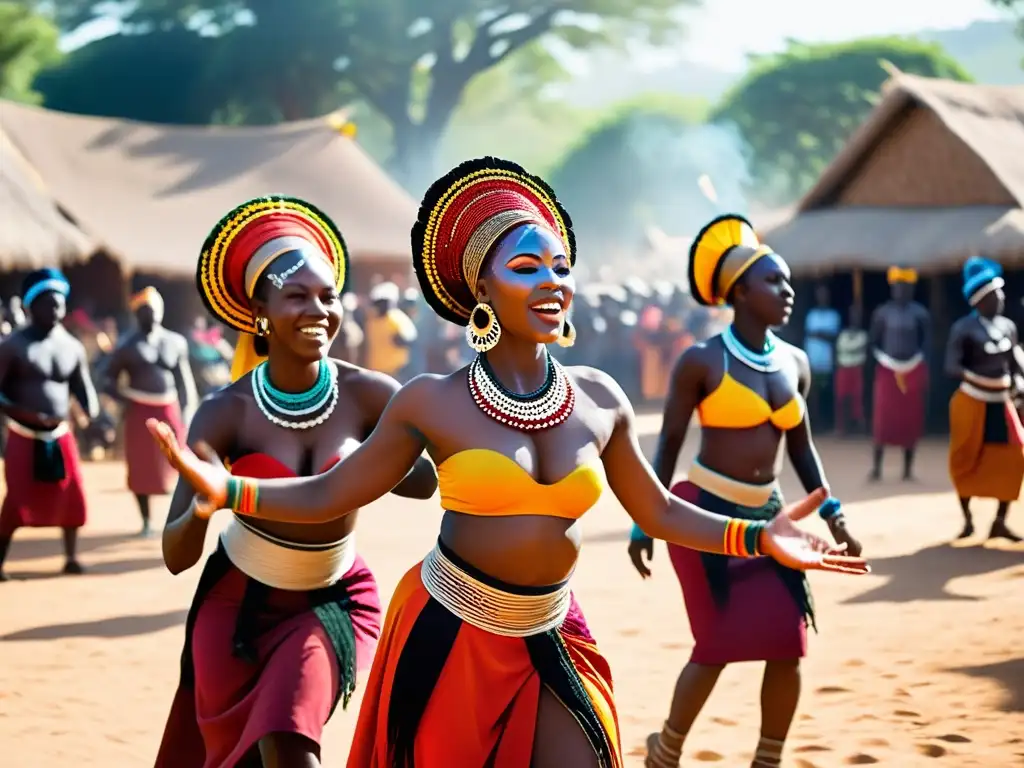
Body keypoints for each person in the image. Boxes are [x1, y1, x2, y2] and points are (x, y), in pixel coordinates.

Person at [148, 159, 869, 768]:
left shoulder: (600, 398)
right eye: (527, 267)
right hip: (449, 636)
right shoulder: (430, 402)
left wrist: (755, 536)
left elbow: (659, 510)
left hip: (551, 633)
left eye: (561, 266)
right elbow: (332, 492)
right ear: (482, 291)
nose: (554, 280)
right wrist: (232, 491)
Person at [153, 196, 438, 768]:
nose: (319, 310)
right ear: (260, 312)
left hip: (332, 599)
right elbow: (175, 555)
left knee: (289, 739)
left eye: (329, 296)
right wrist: (203, 509)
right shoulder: (225, 412)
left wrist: (371, 459)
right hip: (234, 609)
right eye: (297, 296)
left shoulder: (370, 394)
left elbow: (425, 483)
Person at [630, 215, 864, 768]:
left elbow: (802, 451)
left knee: (788, 646)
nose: (788, 293)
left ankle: (768, 760)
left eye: (788, 283)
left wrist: (833, 516)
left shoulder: (796, 363)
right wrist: (646, 521)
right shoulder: (700, 361)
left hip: (774, 522)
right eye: (774, 283)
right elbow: (666, 448)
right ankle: (665, 752)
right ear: (738, 291)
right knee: (716, 647)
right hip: (705, 517)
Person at [0, 269, 100, 579]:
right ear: (31, 306)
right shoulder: (13, 346)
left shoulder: (72, 346)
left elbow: (83, 389)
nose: (55, 310)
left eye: (59, 304)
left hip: (60, 434)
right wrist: (22, 414)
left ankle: (71, 557)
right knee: (16, 500)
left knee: (73, 494)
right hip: (24, 434)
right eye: (47, 304)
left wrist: (92, 413)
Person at [103, 287, 197, 535]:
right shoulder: (126, 346)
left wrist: (188, 411)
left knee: (182, 462)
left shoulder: (175, 342)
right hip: (139, 411)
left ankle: (181, 516)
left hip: (170, 406)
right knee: (141, 466)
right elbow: (107, 379)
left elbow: (184, 380)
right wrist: (125, 400)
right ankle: (146, 520)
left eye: (155, 309)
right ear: (137, 314)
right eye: (145, 310)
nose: (151, 314)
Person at [946, 257, 1024, 542]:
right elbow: (951, 367)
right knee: (964, 460)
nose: (1001, 298)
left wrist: (1016, 384)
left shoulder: (1008, 327)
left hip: (1001, 402)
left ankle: (999, 521)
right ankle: (968, 520)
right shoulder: (963, 329)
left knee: (1016, 457)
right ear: (981, 300)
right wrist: (980, 379)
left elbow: (1016, 366)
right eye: (995, 294)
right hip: (971, 402)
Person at [868, 267, 931, 481]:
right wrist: (885, 360)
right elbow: (874, 340)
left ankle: (907, 470)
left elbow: (925, 342)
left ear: (911, 289)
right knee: (882, 421)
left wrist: (917, 364)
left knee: (910, 420)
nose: (901, 291)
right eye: (898, 287)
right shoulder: (882, 313)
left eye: (905, 287)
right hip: (887, 369)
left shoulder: (920, 314)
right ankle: (877, 469)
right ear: (892, 288)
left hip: (912, 368)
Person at [803, 284, 841, 431]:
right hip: (813, 360)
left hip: (828, 361)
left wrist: (819, 334)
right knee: (814, 395)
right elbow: (808, 336)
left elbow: (835, 337)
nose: (822, 297)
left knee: (828, 394)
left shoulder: (833, 315)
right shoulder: (811, 315)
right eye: (820, 294)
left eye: (825, 295)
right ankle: (816, 424)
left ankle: (828, 423)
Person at [364, 281, 417, 379]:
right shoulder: (371, 320)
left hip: (394, 370)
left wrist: (400, 339)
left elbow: (410, 338)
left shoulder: (396, 318)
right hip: (376, 370)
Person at [834, 304, 869, 435]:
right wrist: (851, 348)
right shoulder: (843, 334)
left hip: (857, 369)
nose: (855, 318)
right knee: (841, 398)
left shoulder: (863, 335)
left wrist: (849, 348)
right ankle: (841, 428)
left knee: (858, 400)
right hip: (843, 369)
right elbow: (843, 347)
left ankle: (860, 427)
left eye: (857, 315)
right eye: (853, 315)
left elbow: (851, 347)